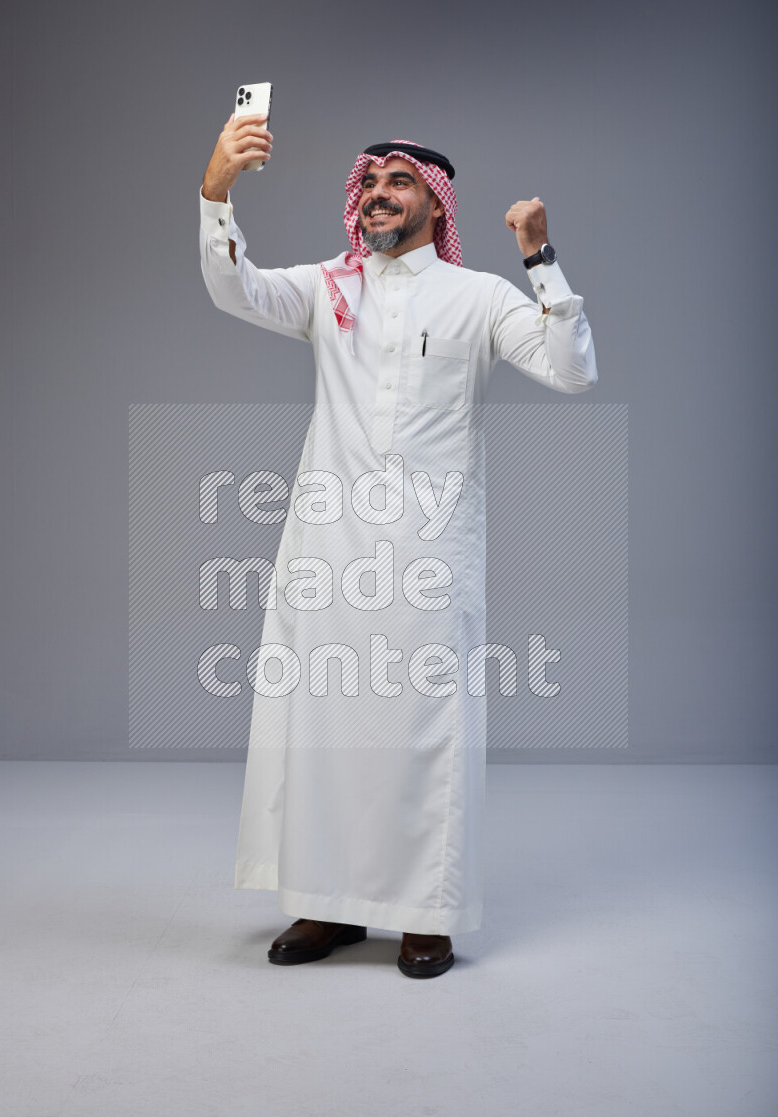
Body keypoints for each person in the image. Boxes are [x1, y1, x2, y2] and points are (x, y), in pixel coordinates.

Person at [199, 112, 597, 979]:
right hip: (328, 547)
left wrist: (539, 257)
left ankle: (426, 914)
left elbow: (572, 370)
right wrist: (216, 193)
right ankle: (325, 905)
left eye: (399, 182)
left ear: (436, 205)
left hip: (426, 554)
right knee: (323, 726)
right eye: (369, 183)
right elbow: (237, 290)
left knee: (421, 729)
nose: (378, 194)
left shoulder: (479, 296)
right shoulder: (328, 286)